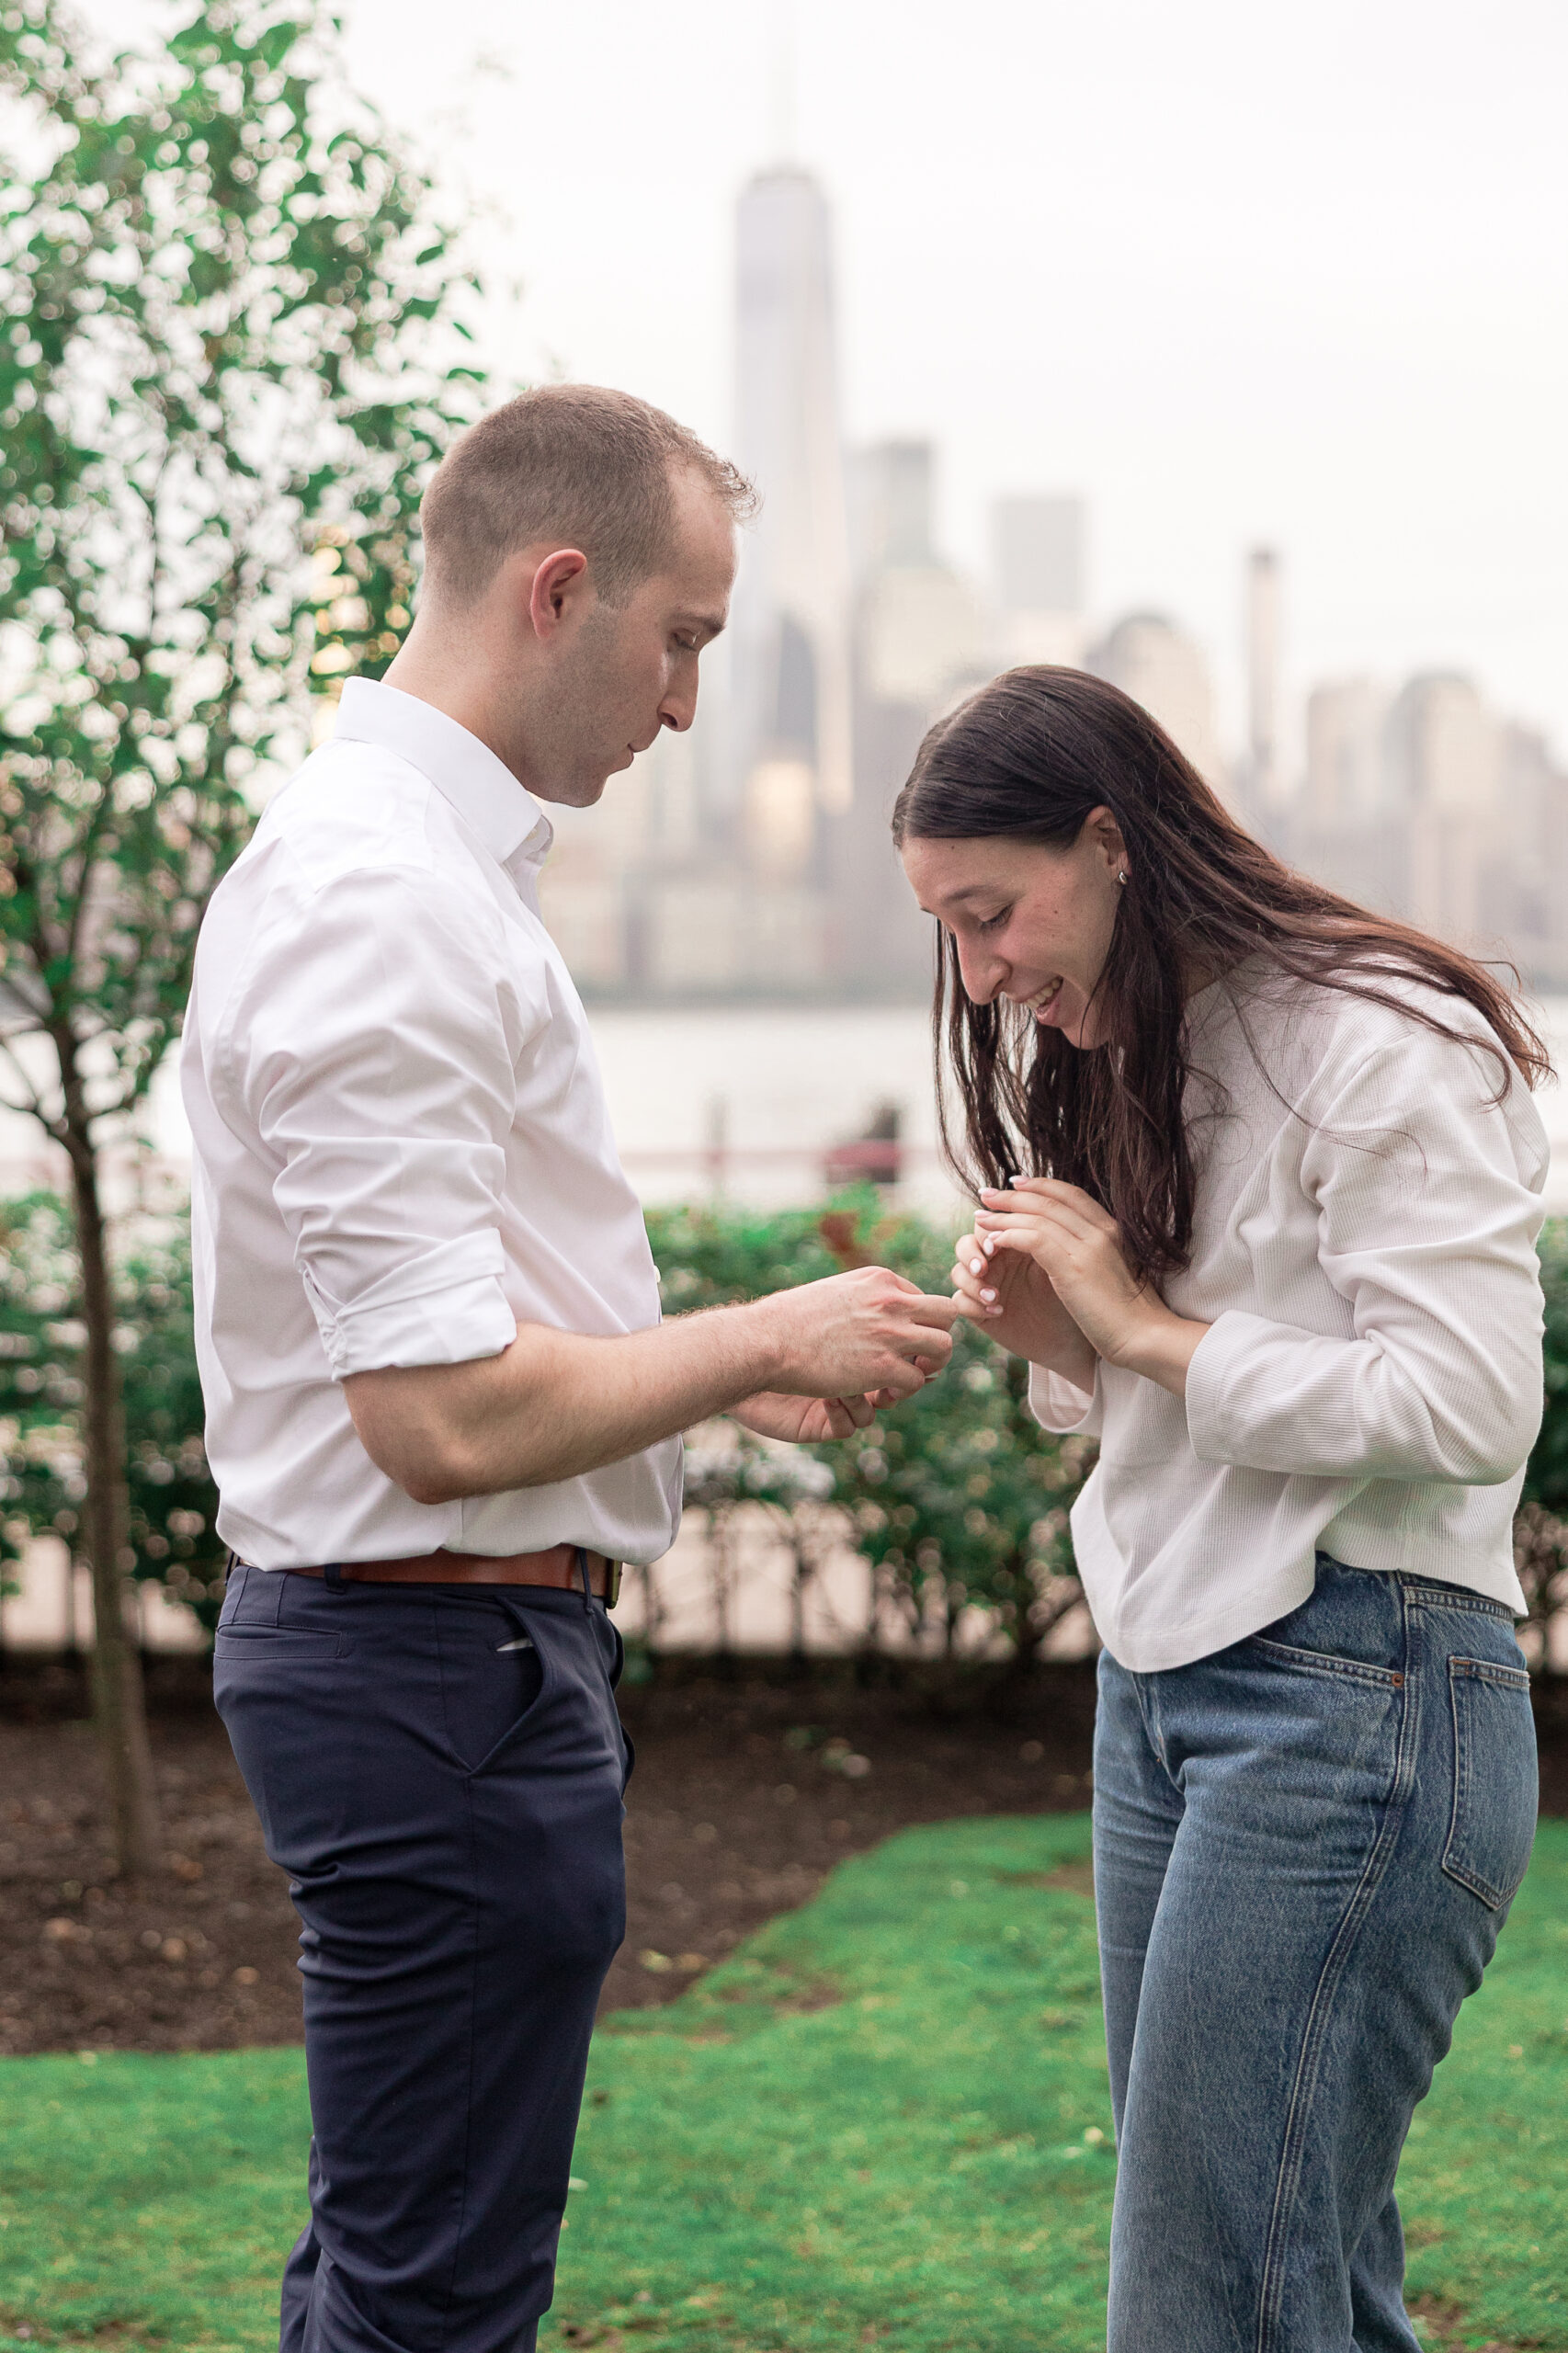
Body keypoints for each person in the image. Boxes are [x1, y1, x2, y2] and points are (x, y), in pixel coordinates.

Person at [183, 383, 960, 2352]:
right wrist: (756, 1331)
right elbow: (436, 1415)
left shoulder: (418, 868)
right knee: (431, 2307)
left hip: (446, 1664)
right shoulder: (383, 895)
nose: (689, 701)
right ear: (557, 588)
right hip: (432, 1670)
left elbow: (459, 1331)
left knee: (390, 2275)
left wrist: (696, 1376)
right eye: (682, 637)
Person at [895, 665, 1545, 2353]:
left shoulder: (1376, 1036)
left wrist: (1137, 1329)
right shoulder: (1131, 1047)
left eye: (995, 913)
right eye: (948, 936)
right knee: (1289, 2282)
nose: (983, 974)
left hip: (1362, 1688)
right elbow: (1169, 1394)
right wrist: (1068, 1345)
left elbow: (1466, 1409)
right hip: (1165, 1683)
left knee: (1209, 2306)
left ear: (1109, 843)